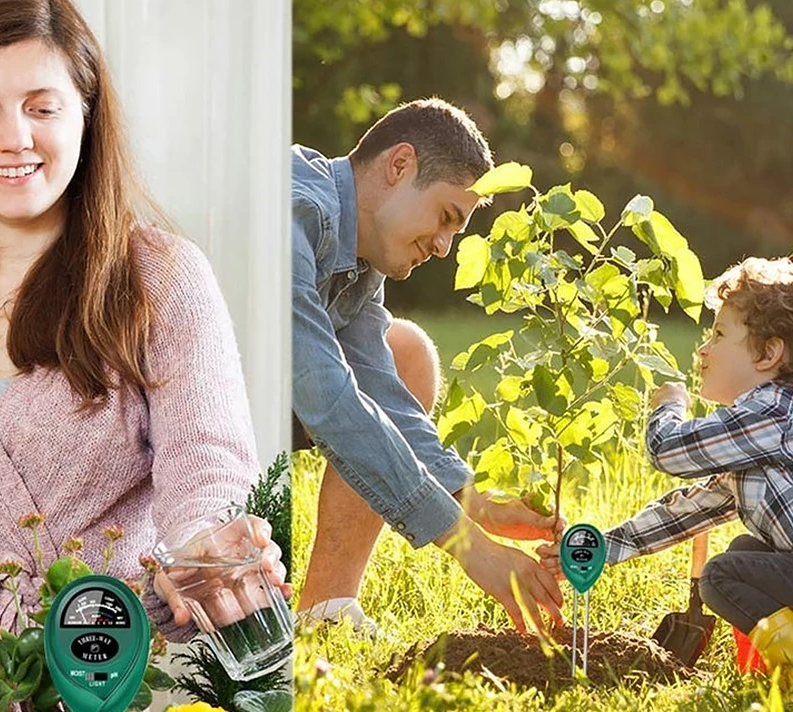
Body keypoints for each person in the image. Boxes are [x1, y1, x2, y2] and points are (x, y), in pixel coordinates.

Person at [0, 0, 283, 639]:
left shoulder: (162, 276)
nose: (14, 138)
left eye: (42, 108)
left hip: (115, 670)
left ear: (86, 115)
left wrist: (200, 553)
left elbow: (207, 466)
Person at [292, 98, 563, 636]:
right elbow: (326, 396)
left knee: (406, 352)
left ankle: (325, 612)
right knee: (351, 395)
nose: (443, 247)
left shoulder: (360, 258)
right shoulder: (298, 212)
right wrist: (470, 547)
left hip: (249, 394)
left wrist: (471, 499)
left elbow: (381, 392)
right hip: (152, 404)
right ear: (399, 166)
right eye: (445, 218)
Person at [538, 256, 793, 670]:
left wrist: (670, 406)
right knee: (746, 551)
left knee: (721, 575)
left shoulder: (771, 414)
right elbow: (688, 511)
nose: (703, 349)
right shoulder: (755, 441)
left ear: (768, 353)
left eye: (718, 334)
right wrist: (605, 547)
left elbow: (668, 450)